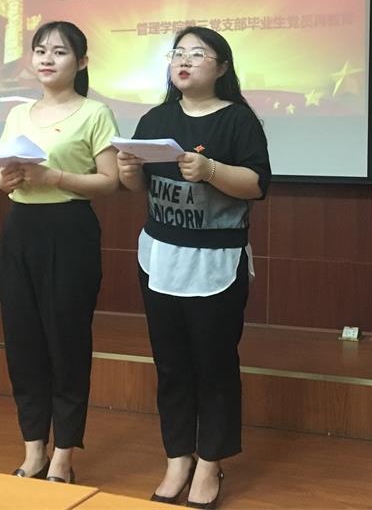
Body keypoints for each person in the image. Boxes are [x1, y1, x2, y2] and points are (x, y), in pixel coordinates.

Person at [117, 26, 270, 509]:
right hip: (160, 257)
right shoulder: (155, 118)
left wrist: (211, 171)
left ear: (221, 67)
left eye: (198, 54)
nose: (184, 61)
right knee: (171, 364)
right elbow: (140, 187)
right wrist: (127, 172)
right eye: (178, 53)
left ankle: (210, 461)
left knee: (214, 364)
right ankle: (177, 457)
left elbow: (257, 184)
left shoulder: (238, 120)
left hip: (215, 260)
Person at [0, 20, 119, 484]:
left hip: (69, 231)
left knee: (66, 343)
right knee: (22, 341)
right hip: (20, 229)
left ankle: (64, 454)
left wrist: (56, 178)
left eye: (60, 51)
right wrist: (3, 179)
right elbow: (4, 174)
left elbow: (110, 181)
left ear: (81, 62)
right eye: (40, 50)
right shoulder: (18, 114)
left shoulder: (95, 113)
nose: (47, 59)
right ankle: (33, 450)